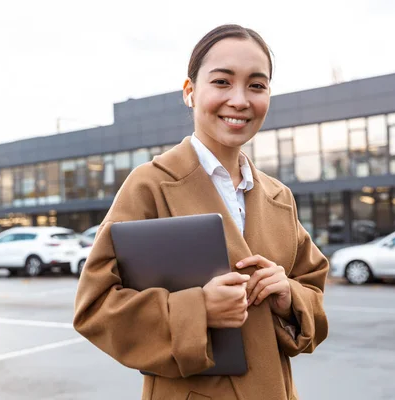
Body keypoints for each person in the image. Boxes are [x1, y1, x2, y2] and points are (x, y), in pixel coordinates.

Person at [74, 24, 329, 400]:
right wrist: (198, 310)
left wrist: (288, 296)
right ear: (190, 92)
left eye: (257, 85)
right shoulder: (150, 185)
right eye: (222, 82)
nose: (240, 100)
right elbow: (94, 308)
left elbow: (313, 290)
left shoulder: (279, 196)